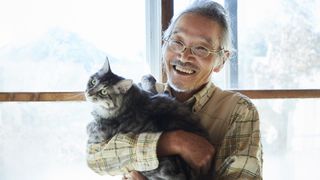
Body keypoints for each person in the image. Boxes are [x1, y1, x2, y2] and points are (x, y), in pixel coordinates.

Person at [86, 0, 263, 179]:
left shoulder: (238, 110)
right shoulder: (136, 96)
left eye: (201, 48)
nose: (184, 56)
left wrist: (131, 157)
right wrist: (173, 141)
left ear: (222, 60)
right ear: (164, 44)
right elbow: (95, 157)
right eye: (177, 42)